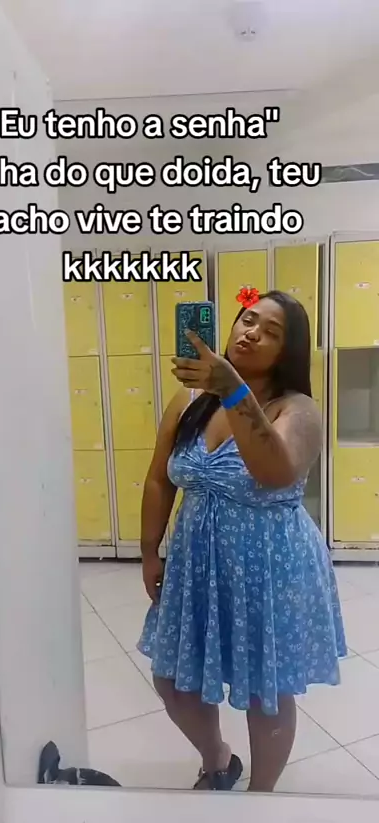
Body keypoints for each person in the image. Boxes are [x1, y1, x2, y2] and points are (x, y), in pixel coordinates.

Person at [137, 290, 346, 793]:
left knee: (262, 689)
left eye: (271, 331)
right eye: (248, 320)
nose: (251, 333)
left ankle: (261, 796)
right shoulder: (189, 401)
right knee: (173, 679)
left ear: (288, 351)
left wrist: (233, 390)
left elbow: (274, 472)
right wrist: (148, 551)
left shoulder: (298, 410)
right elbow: (160, 479)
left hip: (269, 566)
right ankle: (218, 760)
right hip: (195, 563)